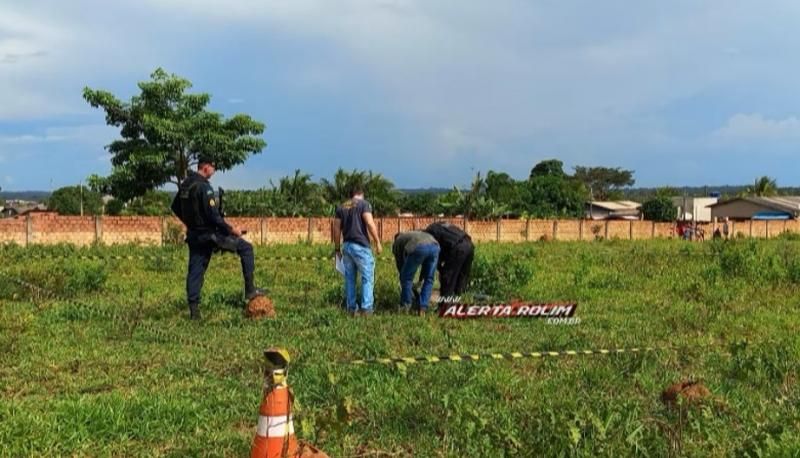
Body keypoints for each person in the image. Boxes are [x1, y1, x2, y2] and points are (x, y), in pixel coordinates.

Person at [170, 156, 264, 320]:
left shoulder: (186, 184)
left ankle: (194, 312)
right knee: (246, 248)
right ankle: (250, 290)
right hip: (210, 235)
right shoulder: (204, 187)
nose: (214, 171)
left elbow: (175, 207)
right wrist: (231, 230)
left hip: (194, 235)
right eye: (213, 168)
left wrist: (190, 222)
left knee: (195, 271)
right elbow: (214, 217)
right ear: (206, 167)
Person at [332, 187, 382, 316]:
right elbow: (370, 223)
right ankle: (366, 309)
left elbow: (336, 229)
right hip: (361, 246)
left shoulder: (341, 207)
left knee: (350, 279)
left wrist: (337, 249)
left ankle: (351, 309)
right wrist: (377, 242)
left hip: (347, 246)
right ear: (361, 194)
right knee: (367, 277)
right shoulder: (364, 204)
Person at [393, 231, 440, 316]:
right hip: (435, 246)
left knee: (406, 278)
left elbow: (400, 264)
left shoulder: (397, 242)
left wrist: (404, 278)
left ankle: (406, 306)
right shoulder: (412, 235)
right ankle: (423, 307)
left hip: (419, 247)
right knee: (429, 279)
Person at [423, 221, 474, 298]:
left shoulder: (430, 232)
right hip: (469, 245)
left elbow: (435, 251)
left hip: (458, 247)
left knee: (448, 279)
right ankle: (459, 302)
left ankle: (445, 306)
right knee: (461, 278)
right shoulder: (440, 225)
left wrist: (440, 269)